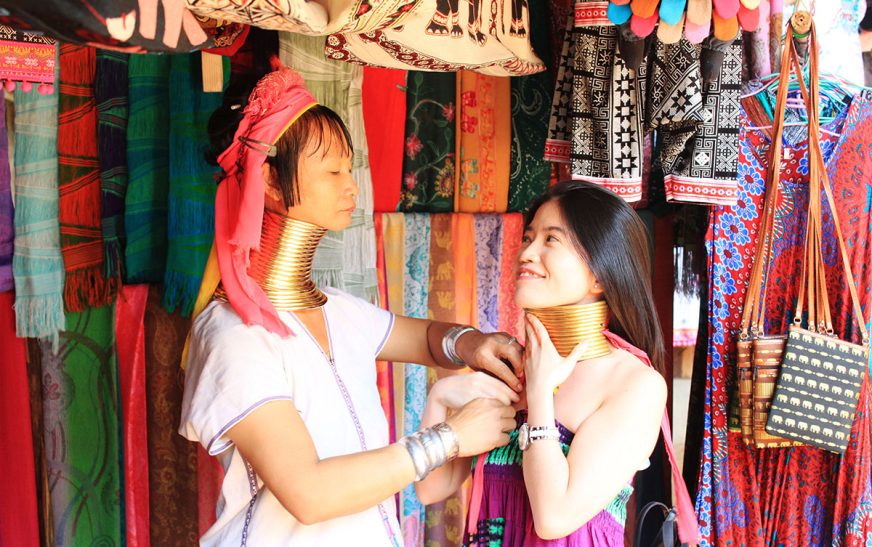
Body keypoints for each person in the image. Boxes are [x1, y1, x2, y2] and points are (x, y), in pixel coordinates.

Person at [179, 66, 523, 546]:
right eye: (332, 170)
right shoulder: (232, 335)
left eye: (350, 167)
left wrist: (474, 344)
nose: (351, 186)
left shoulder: (339, 310)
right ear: (271, 183)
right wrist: (451, 438)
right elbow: (309, 492)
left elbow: (426, 338)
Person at [416, 181, 699, 545]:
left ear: (599, 274)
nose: (526, 253)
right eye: (528, 237)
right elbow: (431, 487)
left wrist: (539, 394)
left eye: (551, 240)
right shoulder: (511, 365)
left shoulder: (635, 383)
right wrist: (440, 396)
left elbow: (553, 518)